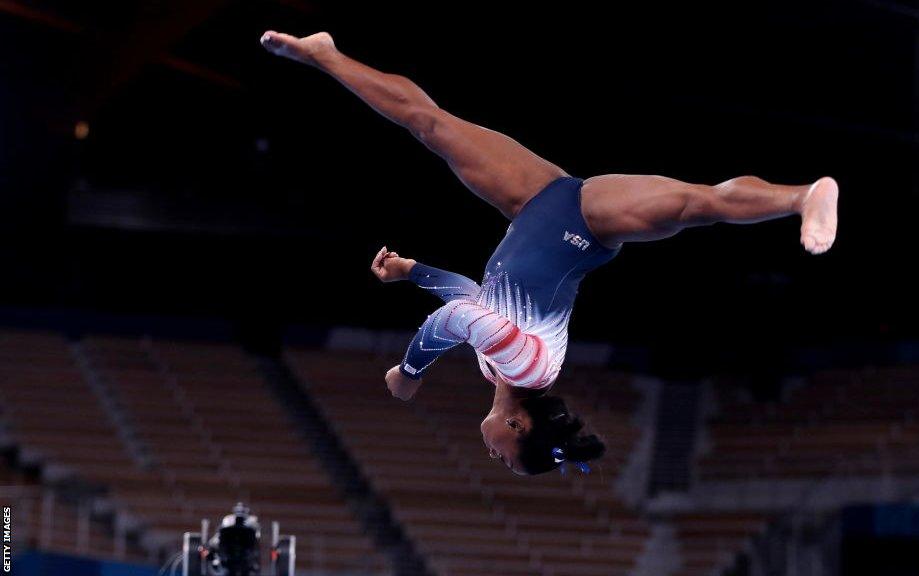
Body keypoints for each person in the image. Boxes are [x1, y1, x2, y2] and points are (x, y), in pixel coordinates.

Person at [261, 30, 839, 475]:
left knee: (427, 123)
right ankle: (802, 197)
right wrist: (409, 373)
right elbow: (458, 318)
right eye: (504, 455)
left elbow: (470, 297)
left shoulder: (498, 365)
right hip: (588, 220)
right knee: (698, 204)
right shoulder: (527, 367)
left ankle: (325, 54)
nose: (492, 452)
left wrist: (413, 271)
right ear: (517, 424)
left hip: (536, 201)